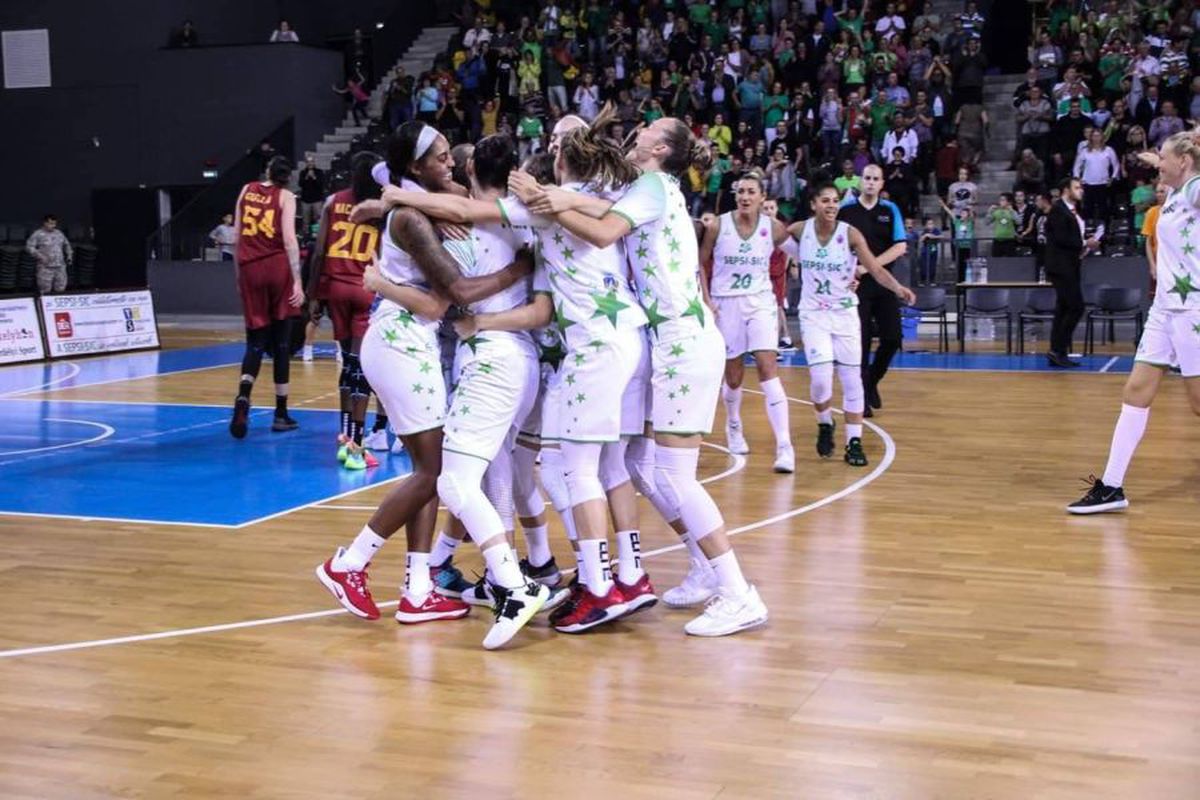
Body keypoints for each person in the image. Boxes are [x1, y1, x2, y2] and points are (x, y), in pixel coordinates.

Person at [358, 114, 652, 635]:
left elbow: (451, 285)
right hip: (541, 359)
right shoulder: (535, 217)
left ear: (470, 170)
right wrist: (393, 197)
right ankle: (554, 570)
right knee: (516, 475)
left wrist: (388, 239)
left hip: (502, 356)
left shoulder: (510, 213)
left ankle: (523, 582)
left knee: (476, 477)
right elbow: (447, 199)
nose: (449, 167)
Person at [314, 122, 536, 640]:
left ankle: (417, 591)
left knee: (429, 468)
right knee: (433, 471)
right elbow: (451, 294)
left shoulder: (428, 197)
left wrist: (382, 196)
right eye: (438, 158)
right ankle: (349, 563)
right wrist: (517, 270)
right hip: (399, 340)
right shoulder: (413, 218)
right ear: (414, 167)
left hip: (416, 341)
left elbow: (454, 188)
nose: (450, 165)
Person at [1068, 132, 1200, 514]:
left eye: (1164, 159)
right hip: (1164, 310)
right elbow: (1168, 163)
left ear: (1184, 163)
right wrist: (1157, 157)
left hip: (1192, 310)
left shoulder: (1193, 189)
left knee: (1197, 404)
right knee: (1136, 391)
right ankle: (1111, 486)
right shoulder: (1172, 195)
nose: (1159, 164)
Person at [785, 182, 915, 466]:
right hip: (814, 315)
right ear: (813, 204)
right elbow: (768, 238)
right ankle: (824, 422)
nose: (831, 205)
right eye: (825, 200)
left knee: (851, 380)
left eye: (834, 201)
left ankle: (853, 442)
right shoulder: (799, 230)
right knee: (820, 382)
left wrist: (898, 288)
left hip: (844, 314)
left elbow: (876, 269)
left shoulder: (850, 234)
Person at [700, 172, 796, 473]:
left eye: (751, 191)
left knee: (769, 367)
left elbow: (805, 253)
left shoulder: (774, 228)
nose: (744, 196)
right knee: (733, 375)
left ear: (762, 197)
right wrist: (706, 298)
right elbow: (699, 262)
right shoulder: (718, 224)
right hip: (725, 303)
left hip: (760, 302)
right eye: (740, 191)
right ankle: (733, 425)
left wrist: (847, 274)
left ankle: (784, 446)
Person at [306, 151, 384, 471]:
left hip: (335, 288)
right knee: (361, 369)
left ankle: (344, 438)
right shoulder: (380, 209)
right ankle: (356, 448)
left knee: (347, 366)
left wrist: (313, 295)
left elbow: (319, 251)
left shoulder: (333, 201)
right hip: (364, 287)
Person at [229, 158, 303, 438]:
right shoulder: (286, 197)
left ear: (268, 172)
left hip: (250, 269)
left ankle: (243, 397)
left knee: (256, 341)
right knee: (282, 343)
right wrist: (297, 280)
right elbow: (289, 240)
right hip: (276, 268)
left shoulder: (246, 189)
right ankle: (281, 413)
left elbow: (236, 236)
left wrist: (239, 275)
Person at [837, 164, 911, 417]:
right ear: (860, 182)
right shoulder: (845, 211)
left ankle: (871, 382)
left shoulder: (890, 210)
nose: (870, 182)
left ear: (882, 184)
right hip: (854, 287)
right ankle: (861, 397)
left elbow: (899, 247)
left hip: (883, 281)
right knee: (861, 340)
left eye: (875, 179)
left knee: (893, 338)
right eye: (866, 178)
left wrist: (868, 267)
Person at [1044, 177, 1099, 368]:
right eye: (1077, 187)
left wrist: (1084, 244)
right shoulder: (1058, 210)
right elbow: (1061, 238)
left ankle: (1056, 350)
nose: (1081, 190)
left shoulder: (1074, 211)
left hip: (1071, 265)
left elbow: (1071, 238)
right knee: (1076, 307)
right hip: (1060, 267)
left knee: (1064, 308)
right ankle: (1058, 349)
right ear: (1066, 190)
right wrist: (1085, 243)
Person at [1073, 129, 1121, 223]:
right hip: (1088, 183)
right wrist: (1078, 179)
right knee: (1087, 207)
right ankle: (1088, 227)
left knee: (1103, 207)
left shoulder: (1108, 150)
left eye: (1098, 135)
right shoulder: (1085, 151)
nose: (1096, 138)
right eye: (1094, 136)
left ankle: (1104, 229)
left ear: (1102, 137)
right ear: (1091, 137)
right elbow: (1077, 166)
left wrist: (1113, 177)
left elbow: (1116, 165)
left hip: (1103, 183)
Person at [26, 214, 72, 294]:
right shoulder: (38, 234)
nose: (53, 226)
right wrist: (40, 256)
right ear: (45, 223)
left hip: (60, 267)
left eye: (54, 224)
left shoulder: (59, 233)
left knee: (60, 289)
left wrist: (69, 256)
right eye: (51, 224)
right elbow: (29, 247)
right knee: (45, 290)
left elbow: (67, 245)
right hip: (45, 267)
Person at [298, 157, 326, 236]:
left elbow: (321, 184)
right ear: (306, 163)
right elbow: (300, 184)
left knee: (317, 219)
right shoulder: (303, 173)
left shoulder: (319, 172)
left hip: (317, 200)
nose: (310, 163)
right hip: (305, 200)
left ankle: (316, 235)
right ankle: (306, 235)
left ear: (314, 162)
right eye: (308, 162)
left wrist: (314, 177)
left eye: (312, 162)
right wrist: (307, 177)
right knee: (305, 220)